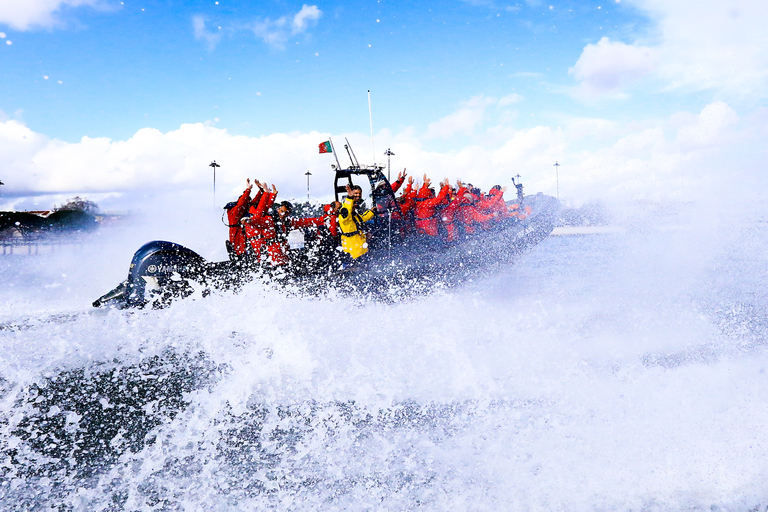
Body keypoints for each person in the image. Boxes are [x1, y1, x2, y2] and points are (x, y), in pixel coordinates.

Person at [338, 184, 374, 259]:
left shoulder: (354, 215)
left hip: (360, 248)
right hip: (353, 250)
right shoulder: (344, 214)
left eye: (359, 193)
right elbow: (346, 211)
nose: (355, 205)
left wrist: (372, 212)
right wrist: (350, 198)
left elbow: (362, 218)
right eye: (353, 204)